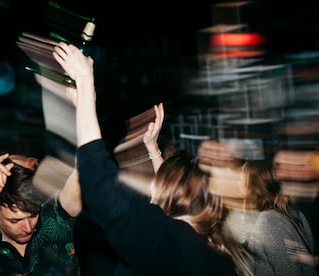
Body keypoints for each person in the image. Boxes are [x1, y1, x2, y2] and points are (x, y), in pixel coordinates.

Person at [53, 42, 250, 275]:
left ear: (170, 192)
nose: (152, 188)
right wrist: (152, 148)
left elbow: (99, 181)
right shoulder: (210, 247)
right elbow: (172, 189)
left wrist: (86, 85)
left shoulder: (168, 242)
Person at [239, 159, 318, 276]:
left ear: (252, 184)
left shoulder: (269, 222)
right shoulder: (292, 213)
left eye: (240, 178)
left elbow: (289, 270)